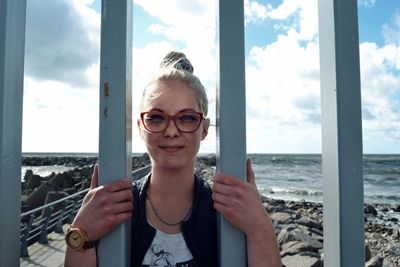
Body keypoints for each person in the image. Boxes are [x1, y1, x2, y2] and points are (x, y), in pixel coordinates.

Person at [64, 51, 281, 267]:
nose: (171, 131)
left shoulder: (227, 214)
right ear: (140, 127)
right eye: (156, 117)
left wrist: (260, 229)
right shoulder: (111, 208)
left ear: (204, 129)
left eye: (187, 118)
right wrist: (81, 235)